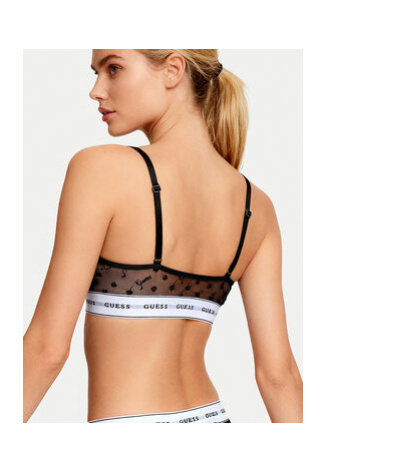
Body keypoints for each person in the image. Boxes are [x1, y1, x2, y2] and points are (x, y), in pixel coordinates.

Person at [23, 49, 303, 423]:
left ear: (173, 70)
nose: (96, 90)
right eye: (96, 72)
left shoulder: (101, 169)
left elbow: (46, 351)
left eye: (113, 68)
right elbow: (279, 376)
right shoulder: (257, 206)